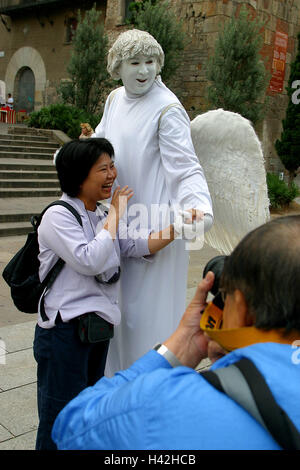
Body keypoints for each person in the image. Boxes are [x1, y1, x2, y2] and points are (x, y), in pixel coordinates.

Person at [52, 215, 300, 450]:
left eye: (229, 297)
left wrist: (180, 346)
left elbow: (73, 427)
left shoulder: (177, 404)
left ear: (243, 309)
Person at [33, 137, 179, 450]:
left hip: (96, 334)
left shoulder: (99, 215)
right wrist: (115, 213)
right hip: (64, 335)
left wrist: (178, 226)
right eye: (103, 168)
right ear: (78, 176)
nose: (112, 174)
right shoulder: (58, 216)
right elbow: (90, 259)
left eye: (112, 166)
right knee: (58, 419)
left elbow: (135, 245)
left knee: (87, 414)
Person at [92, 29, 213, 375]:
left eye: (150, 62)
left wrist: (197, 207)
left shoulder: (167, 109)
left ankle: (151, 396)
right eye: (134, 62)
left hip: (156, 226)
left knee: (147, 322)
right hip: (118, 222)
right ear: (118, 67)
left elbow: (186, 167)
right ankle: (117, 393)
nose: (143, 70)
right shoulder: (115, 99)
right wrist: (77, 154)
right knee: (117, 318)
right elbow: (102, 138)